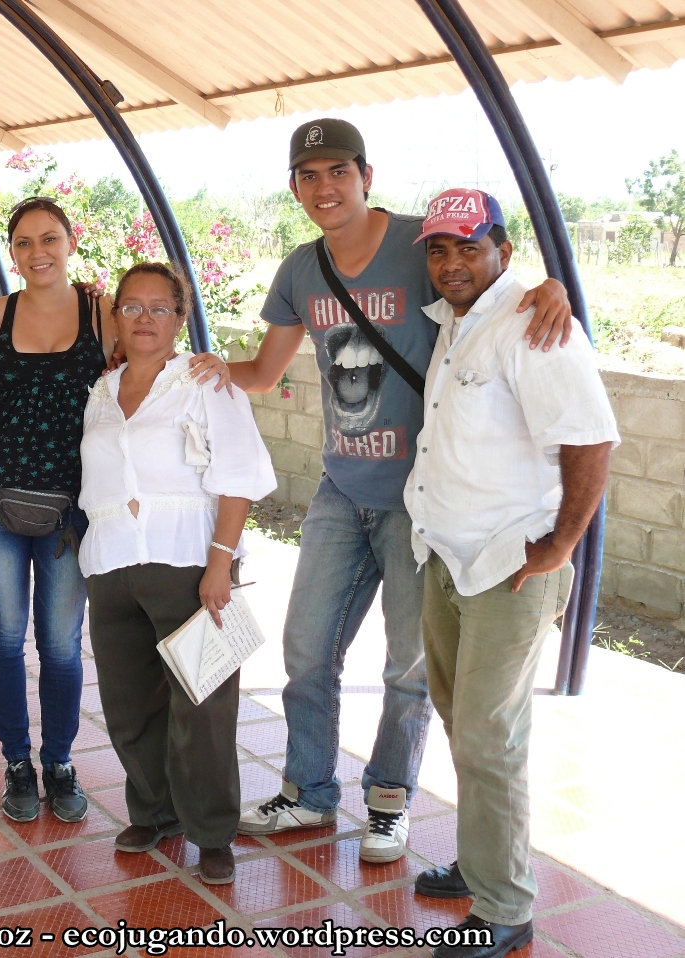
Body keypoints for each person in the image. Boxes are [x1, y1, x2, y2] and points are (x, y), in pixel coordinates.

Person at [227, 119, 574, 864]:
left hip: (419, 504)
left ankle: (388, 801)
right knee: (305, 653)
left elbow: (492, 277)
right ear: (294, 187)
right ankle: (308, 792)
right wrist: (176, 366)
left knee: (406, 670)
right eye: (309, 176)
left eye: (338, 172)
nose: (325, 188)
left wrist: (551, 289)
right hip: (340, 489)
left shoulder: (424, 244)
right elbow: (260, 373)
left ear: (366, 175)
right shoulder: (300, 270)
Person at [403, 190, 617, 958]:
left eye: (468, 247)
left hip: (510, 565)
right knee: (461, 720)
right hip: (446, 555)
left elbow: (590, 438)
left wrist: (559, 546)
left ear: (502, 248)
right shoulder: (455, 321)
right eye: (438, 250)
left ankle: (503, 906)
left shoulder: (535, 324)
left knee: (487, 734)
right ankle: (481, 859)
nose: (451, 263)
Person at [79, 262, 276, 885]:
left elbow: (239, 477)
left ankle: (212, 833)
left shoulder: (206, 383)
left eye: (159, 307)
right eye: (131, 306)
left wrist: (221, 562)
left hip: (189, 563)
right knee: (129, 705)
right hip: (111, 565)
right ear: (115, 316)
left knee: (204, 706)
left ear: (180, 318)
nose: (144, 318)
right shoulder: (101, 392)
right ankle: (154, 812)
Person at [0, 198, 112, 824]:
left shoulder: (103, 313)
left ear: (70, 242)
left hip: (72, 509)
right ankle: (16, 762)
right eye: (25, 242)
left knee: (61, 644)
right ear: (12, 252)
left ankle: (59, 761)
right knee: (6, 636)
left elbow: (145, 379)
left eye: (50, 238)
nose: (39, 252)